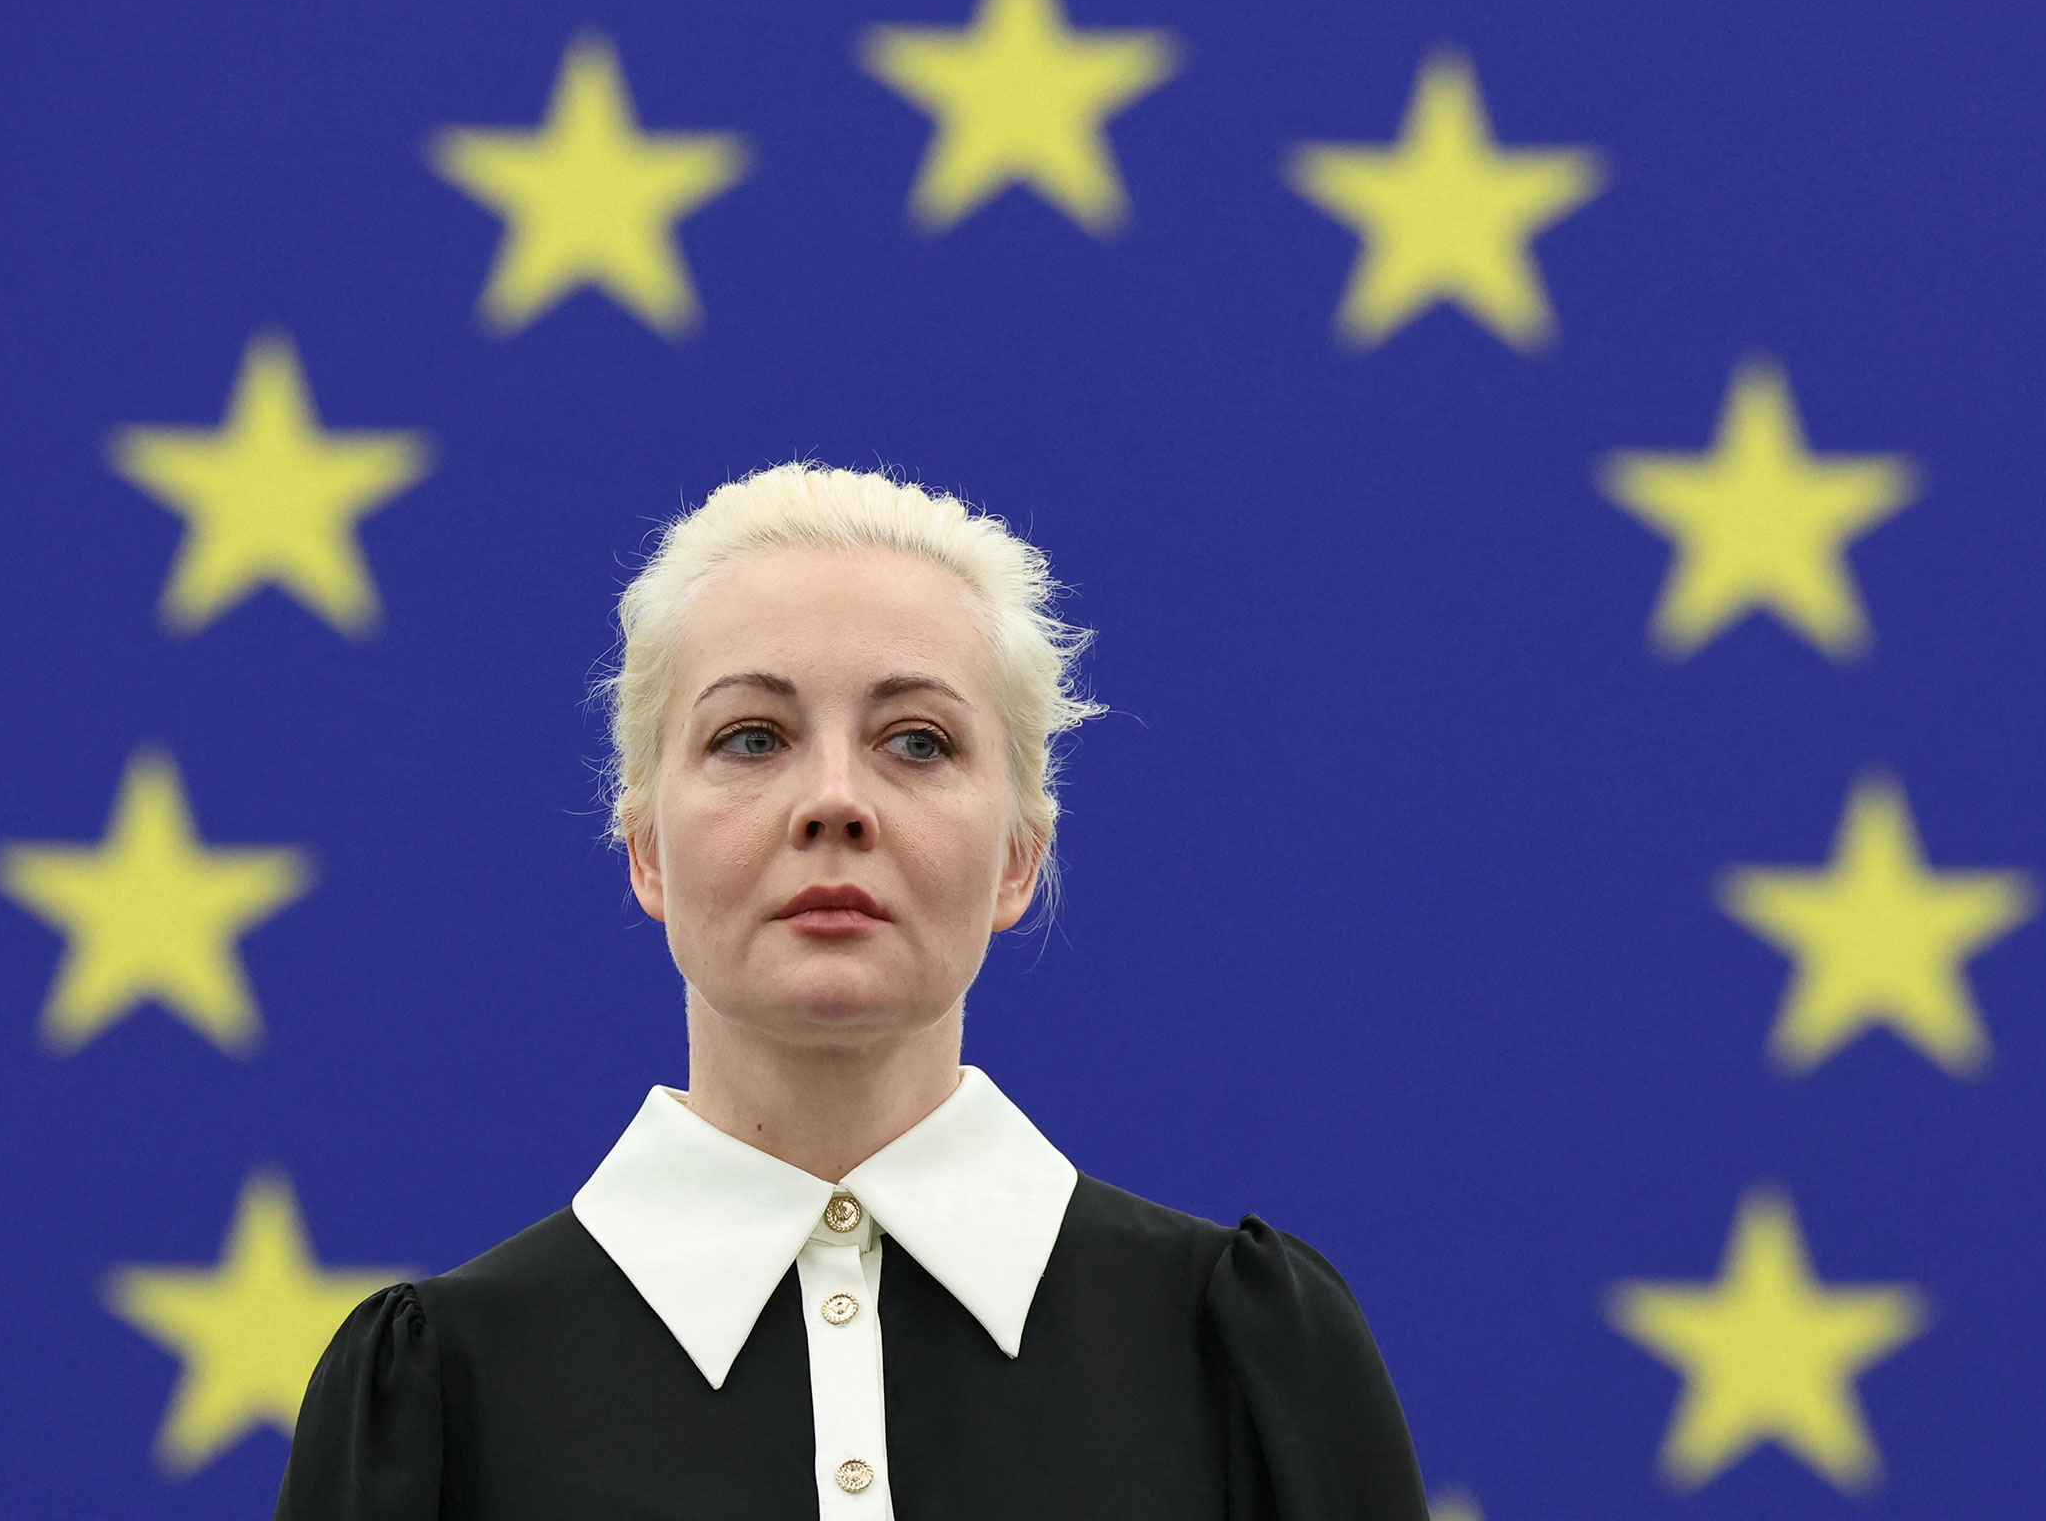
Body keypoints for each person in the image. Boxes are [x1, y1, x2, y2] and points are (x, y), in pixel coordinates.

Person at [276, 464, 1428, 1520]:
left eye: (918, 741)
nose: (834, 800)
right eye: (752, 736)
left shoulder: (1244, 1353)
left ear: (1020, 854)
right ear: (645, 850)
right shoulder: (436, 1397)